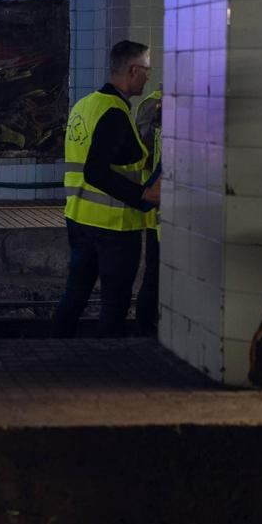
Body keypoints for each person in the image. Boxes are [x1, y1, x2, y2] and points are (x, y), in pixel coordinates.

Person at [53, 40, 160, 337]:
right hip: (113, 228)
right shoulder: (114, 113)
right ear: (133, 69)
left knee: (75, 294)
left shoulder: (85, 105)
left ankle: (55, 349)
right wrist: (144, 195)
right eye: (147, 70)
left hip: (79, 219)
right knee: (114, 303)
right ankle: (108, 363)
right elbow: (96, 171)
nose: (148, 77)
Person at [134, 85, 163, 336]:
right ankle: (145, 330)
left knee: (156, 273)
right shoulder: (152, 106)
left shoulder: (151, 105)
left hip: (162, 205)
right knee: (155, 273)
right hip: (158, 207)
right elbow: (142, 154)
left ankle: (148, 328)